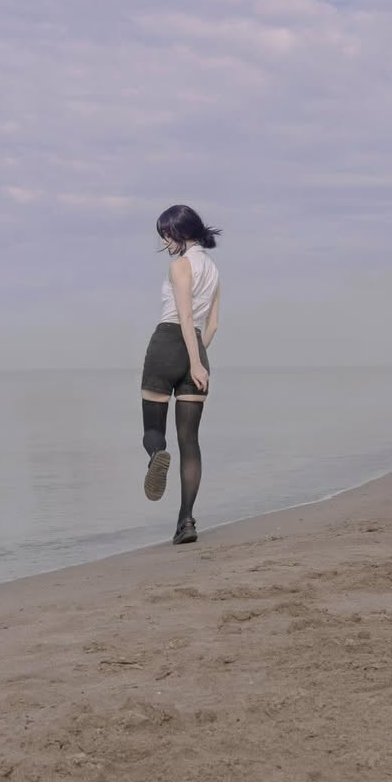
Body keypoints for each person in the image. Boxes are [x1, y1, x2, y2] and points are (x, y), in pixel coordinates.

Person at [140, 204, 222, 545]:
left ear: (181, 232)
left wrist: (191, 360)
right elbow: (211, 324)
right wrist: (198, 360)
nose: (164, 241)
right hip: (196, 349)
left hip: (167, 346)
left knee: (153, 430)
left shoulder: (180, 265)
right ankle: (186, 522)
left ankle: (156, 456)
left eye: (166, 234)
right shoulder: (214, 270)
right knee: (190, 442)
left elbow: (184, 317)